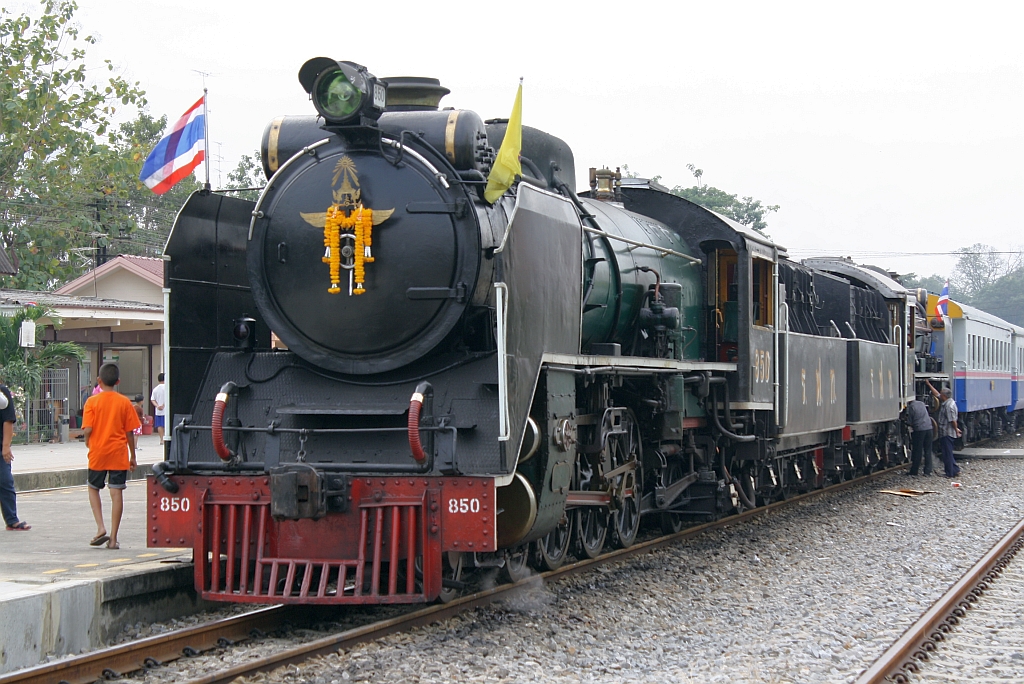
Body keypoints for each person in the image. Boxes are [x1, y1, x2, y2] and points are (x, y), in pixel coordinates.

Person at [83, 363, 140, 549]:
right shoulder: (124, 402)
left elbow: (88, 428)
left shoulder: (91, 402)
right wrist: (133, 456)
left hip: (98, 453)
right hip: (118, 453)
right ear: (118, 381)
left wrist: (87, 440)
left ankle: (100, 527)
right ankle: (114, 539)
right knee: (116, 494)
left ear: (99, 381)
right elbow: (130, 432)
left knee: (93, 488)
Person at [1, 383, 29, 531]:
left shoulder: (2, 393)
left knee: (5, 481)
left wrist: (6, 446)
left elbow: (8, 420)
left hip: (0, 447)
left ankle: (12, 520)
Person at [926, 380, 961, 478]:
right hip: (946, 432)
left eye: (941, 394)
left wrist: (956, 429)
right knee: (947, 452)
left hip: (947, 433)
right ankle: (955, 470)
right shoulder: (947, 402)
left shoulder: (949, 406)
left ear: (944, 396)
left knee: (947, 453)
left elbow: (952, 420)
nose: (939, 395)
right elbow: (937, 394)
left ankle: (950, 473)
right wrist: (929, 384)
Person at [905, 396, 933, 476]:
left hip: (920, 430)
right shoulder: (921, 403)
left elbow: (909, 421)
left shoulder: (911, 407)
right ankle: (928, 471)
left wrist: (906, 421)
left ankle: (914, 471)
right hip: (929, 428)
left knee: (918, 451)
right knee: (928, 450)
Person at [151, 373, 166, 439]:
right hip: (166, 410)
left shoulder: (155, 389)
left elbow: (152, 399)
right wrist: (164, 404)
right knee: (166, 425)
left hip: (159, 410)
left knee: (160, 425)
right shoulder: (167, 388)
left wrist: (157, 406)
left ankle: (161, 439)